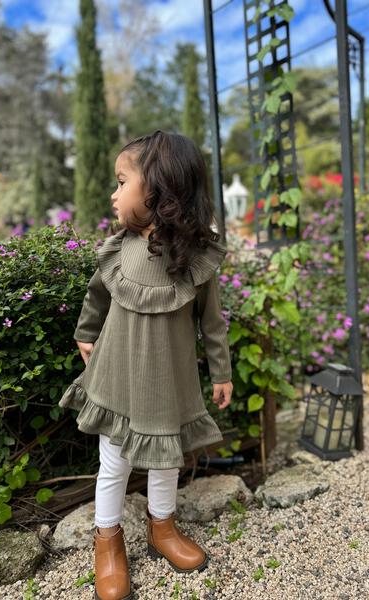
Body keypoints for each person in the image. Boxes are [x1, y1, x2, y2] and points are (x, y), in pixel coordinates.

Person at [58, 130, 233, 600]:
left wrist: (222, 371)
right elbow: (96, 296)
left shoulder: (197, 258)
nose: (113, 194)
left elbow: (212, 322)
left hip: (168, 382)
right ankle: (107, 540)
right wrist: (85, 333)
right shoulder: (119, 249)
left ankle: (162, 527)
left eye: (122, 181)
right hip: (117, 374)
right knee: (113, 462)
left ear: (158, 188)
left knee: (165, 459)